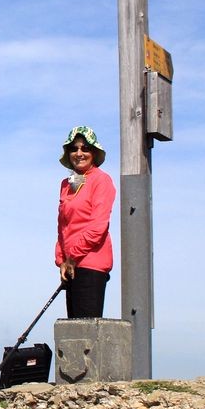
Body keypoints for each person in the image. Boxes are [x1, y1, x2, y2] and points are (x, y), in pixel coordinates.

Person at [55, 125, 116, 318]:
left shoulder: (101, 180)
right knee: (72, 334)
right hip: (71, 267)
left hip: (90, 266)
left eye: (85, 148)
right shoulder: (67, 184)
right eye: (74, 148)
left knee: (86, 337)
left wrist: (72, 257)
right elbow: (63, 226)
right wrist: (62, 261)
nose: (79, 153)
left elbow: (98, 226)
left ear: (94, 152)